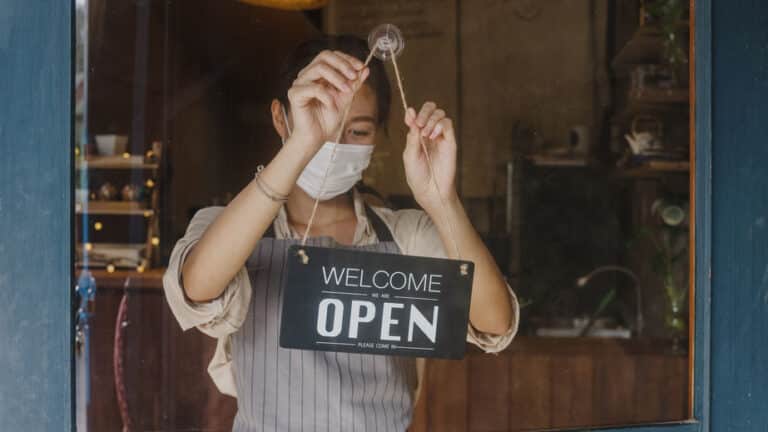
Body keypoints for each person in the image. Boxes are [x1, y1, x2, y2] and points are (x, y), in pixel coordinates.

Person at [163, 35, 519, 432]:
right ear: (281, 119)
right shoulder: (229, 227)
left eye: (358, 131)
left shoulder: (407, 234)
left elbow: (494, 323)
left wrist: (442, 200)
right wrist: (300, 146)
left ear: (380, 139)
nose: (333, 142)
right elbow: (196, 288)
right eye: (320, 118)